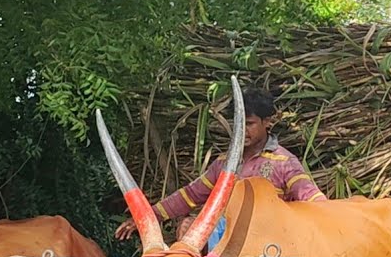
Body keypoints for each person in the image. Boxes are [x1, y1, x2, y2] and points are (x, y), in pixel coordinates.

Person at [114, 86, 327, 247]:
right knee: (187, 225)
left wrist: (336, 217)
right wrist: (145, 218)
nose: (242, 130)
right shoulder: (224, 164)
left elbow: (312, 198)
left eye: (249, 123)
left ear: (267, 122)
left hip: (268, 245)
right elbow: (189, 196)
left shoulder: (284, 162)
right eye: (238, 124)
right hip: (223, 247)